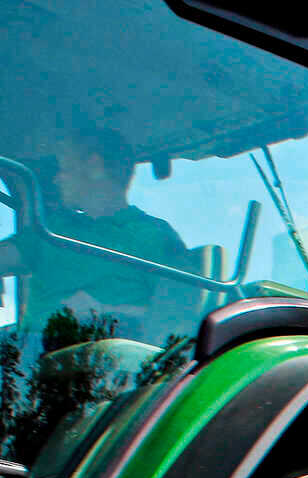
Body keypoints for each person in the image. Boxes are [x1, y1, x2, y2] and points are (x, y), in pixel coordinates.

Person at [0, 121, 197, 346]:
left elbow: (182, 317)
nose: (57, 178)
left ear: (94, 167)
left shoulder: (152, 236)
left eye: (65, 169)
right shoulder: (54, 230)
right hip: (25, 365)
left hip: (101, 364)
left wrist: (104, 312)